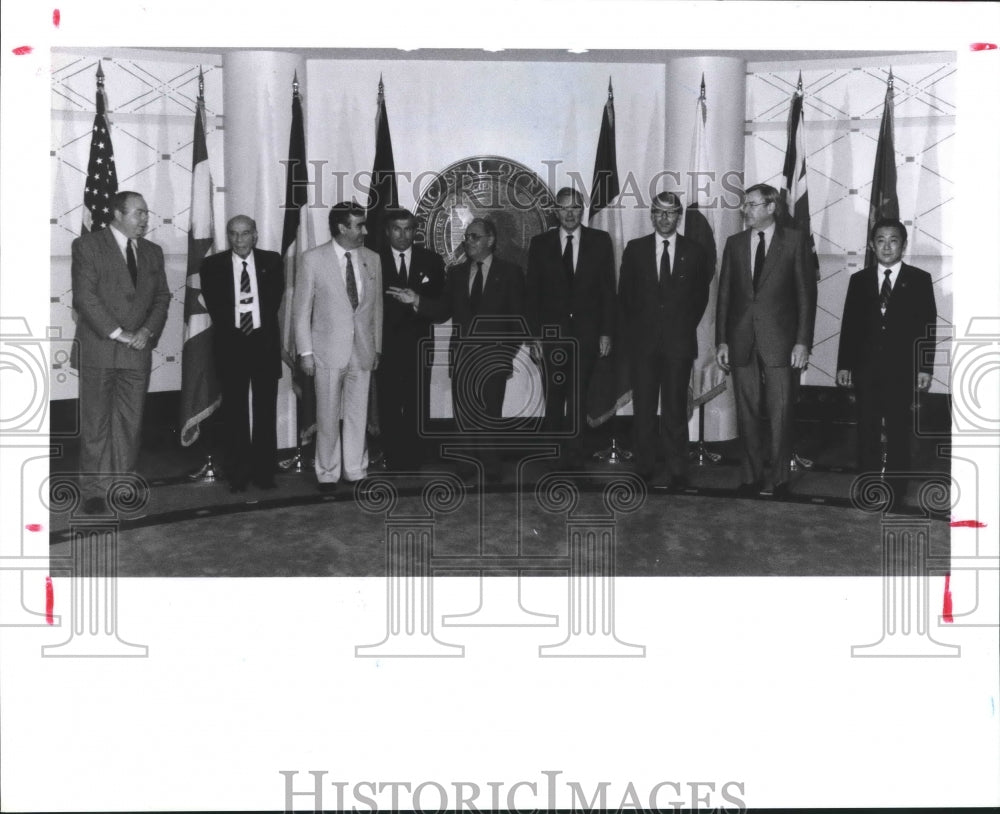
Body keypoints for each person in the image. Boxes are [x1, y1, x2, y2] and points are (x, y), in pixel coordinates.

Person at [390, 218, 526, 484]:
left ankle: (491, 466)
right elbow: (442, 311)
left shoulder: (510, 273)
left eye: (475, 236)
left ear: (491, 240)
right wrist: (416, 299)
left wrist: (504, 354)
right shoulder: (457, 274)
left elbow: (517, 319)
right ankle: (465, 465)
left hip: (494, 357)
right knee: (463, 414)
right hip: (463, 356)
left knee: (490, 414)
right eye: (467, 236)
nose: (469, 241)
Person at [71, 191, 170, 514]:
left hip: (137, 350)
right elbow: (85, 298)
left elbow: (161, 299)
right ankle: (94, 491)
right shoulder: (87, 246)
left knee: (130, 422)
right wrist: (120, 333)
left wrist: (145, 332)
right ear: (117, 213)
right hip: (100, 349)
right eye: (138, 213)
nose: (144, 219)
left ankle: (121, 484)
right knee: (96, 423)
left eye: (146, 213)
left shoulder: (153, 252)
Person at [715, 183, 816, 499]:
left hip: (781, 341)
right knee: (746, 411)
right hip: (741, 339)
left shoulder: (795, 241)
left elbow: (805, 295)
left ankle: (780, 478)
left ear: (772, 207)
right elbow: (725, 296)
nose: (746, 209)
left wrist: (802, 342)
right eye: (745, 204)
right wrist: (722, 341)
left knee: (781, 410)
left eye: (752, 204)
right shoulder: (734, 244)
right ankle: (751, 476)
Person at [618, 192, 711, 488]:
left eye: (670, 213)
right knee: (644, 408)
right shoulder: (635, 249)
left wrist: (678, 327)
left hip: (678, 344)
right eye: (658, 212)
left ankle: (677, 469)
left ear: (679, 216)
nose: (664, 218)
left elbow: (700, 299)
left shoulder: (695, 252)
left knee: (674, 409)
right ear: (651, 215)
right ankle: (645, 466)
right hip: (643, 345)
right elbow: (626, 297)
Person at [293, 202, 383, 491]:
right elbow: (301, 310)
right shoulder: (312, 259)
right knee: (328, 415)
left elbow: (376, 309)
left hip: (363, 351)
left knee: (358, 414)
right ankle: (328, 472)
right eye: (359, 225)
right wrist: (305, 352)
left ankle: (356, 470)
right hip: (327, 352)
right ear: (341, 228)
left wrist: (377, 347)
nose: (364, 230)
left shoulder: (373, 259)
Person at [836, 218, 937, 473]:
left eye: (893, 241)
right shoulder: (859, 280)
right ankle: (868, 483)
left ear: (903, 245)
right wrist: (844, 365)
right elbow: (849, 326)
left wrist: (925, 368)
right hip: (866, 368)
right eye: (881, 241)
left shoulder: (919, 279)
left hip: (902, 369)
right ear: (871, 245)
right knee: (866, 427)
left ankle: (897, 488)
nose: (887, 247)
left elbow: (928, 327)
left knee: (899, 429)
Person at [525, 187, 615, 467]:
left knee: (578, 400)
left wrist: (606, 331)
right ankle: (551, 460)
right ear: (556, 211)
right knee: (554, 398)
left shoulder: (600, 241)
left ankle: (575, 461)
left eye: (575, 207)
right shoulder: (540, 244)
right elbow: (533, 294)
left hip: (587, 334)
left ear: (582, 209)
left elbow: (607, 291)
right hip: (552, 336)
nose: (570, 213)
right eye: (564, 207)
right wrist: (534, 337)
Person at [199, 215, 284, 492]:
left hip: (264, 345)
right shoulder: (212, 266)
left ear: (255, 235)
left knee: (265, 411)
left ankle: (264, 472)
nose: (239, 240)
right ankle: (238, 471)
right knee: (234, 412)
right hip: (232, 345)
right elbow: (216, 308)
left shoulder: (272, 262)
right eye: (233, 234)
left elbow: (273, 304)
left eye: (245, 233)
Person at [376, 208, 446, 470]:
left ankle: (416, 457)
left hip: (419, 343)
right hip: (385, 345)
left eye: (408, 229)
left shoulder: (432, 261)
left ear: (415, 231)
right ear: (387, 231)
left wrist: (418, 301)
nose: (403, 235)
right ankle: (392, 457)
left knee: (418, 402)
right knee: (389, 402)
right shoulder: (373, 260)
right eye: (397, 228)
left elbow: (441, 305)